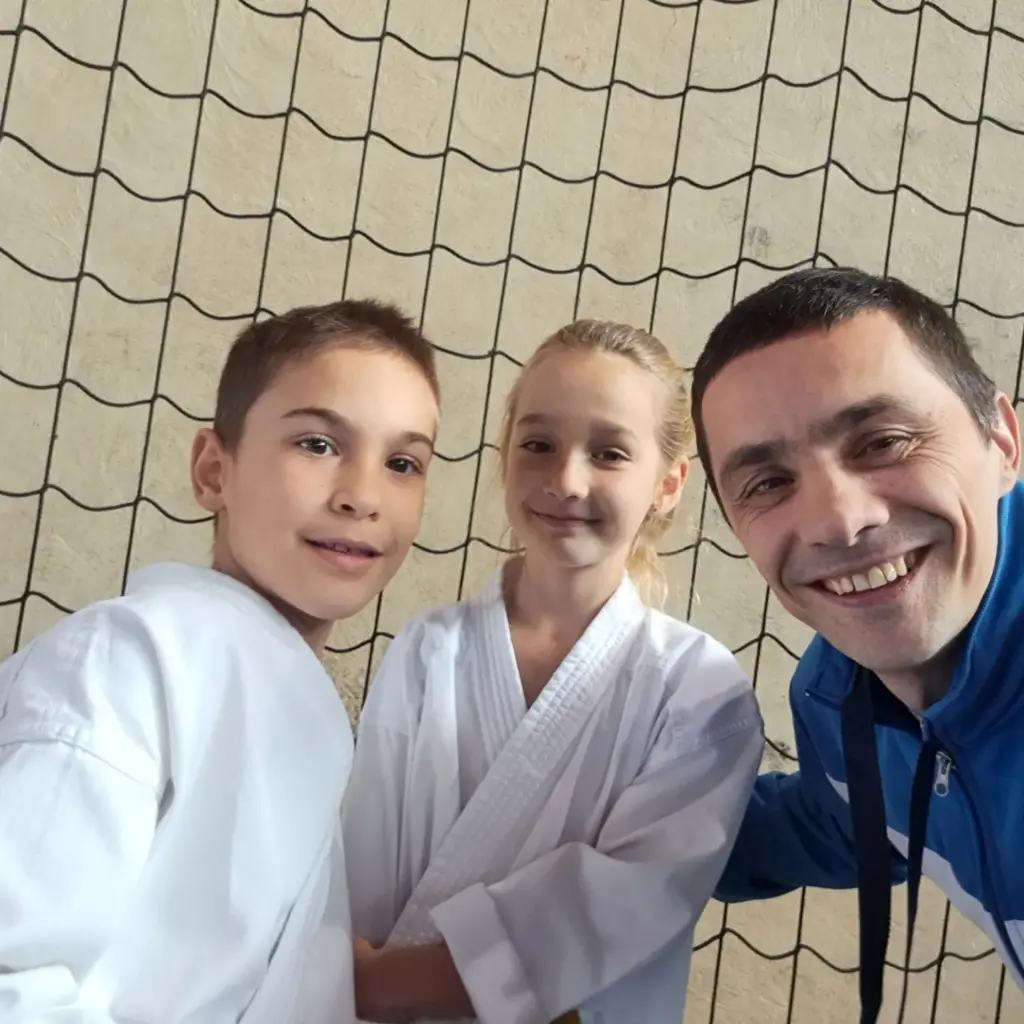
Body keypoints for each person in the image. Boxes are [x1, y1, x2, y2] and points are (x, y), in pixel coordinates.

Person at [0, 300, 441, 1023]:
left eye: (402, 463)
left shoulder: (302, 716)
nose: (362, 496)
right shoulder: (129, 661)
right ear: (213, 470)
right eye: (317, 444)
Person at [341, 319, 765, 1024]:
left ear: (668, 483)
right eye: (538, 445)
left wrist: (374, 984)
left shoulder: (698, 689)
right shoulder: (428, 648)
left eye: (609, 453)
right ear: (504, 455)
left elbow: (624, 909)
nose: (566, 480)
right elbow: (364, 871)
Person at [692, 266, 1024, 1020]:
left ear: (1002, 439)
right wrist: (602, 821)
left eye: (883, 442)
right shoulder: (836, 696)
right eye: (767, 483)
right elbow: (842, 825)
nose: (840, 521)